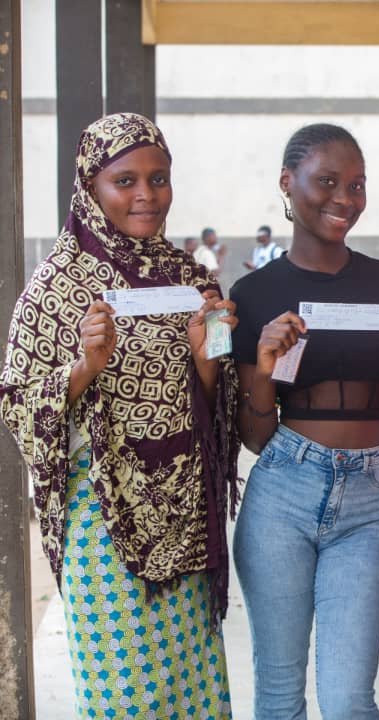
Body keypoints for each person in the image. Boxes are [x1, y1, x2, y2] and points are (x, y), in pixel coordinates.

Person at [0, 113, 238, 719]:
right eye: (125, 180)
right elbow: (19, 401)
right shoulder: (56, 286)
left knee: (188, 689)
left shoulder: (191, 278)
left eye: (158, 180)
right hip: (102, 518)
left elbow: (213, 403)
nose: (145, 196)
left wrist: (207, 353)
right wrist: (85, 365)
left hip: (185, 518)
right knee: (122, 696)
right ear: (90, 187)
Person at [230, 123, 379, 720]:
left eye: (357, 184)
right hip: (283, 493)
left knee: (349, 701)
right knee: (279, 695)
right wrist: (265, 369)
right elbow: (256, 436)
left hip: (369, 497)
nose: (344, 198)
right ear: (286, 184)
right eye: (326, 181)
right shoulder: (256, 292)